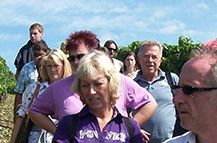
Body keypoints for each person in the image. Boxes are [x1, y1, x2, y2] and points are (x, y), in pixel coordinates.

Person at [28, 30, 157, 133]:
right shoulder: (59, 87)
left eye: (81, 56)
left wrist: (129, 129)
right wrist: (58, 133)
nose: (76, 62)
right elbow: (35, 110)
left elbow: (149, 103)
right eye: (71, 58)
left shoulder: (118, 80)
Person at [133, 40, 178, 143]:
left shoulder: (171, 80)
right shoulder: (132, 84)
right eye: (146, 56)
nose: (150, 60)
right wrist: (134, 129)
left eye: (154, 57)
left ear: (160, 60)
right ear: (139, 58)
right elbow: (122, 112)